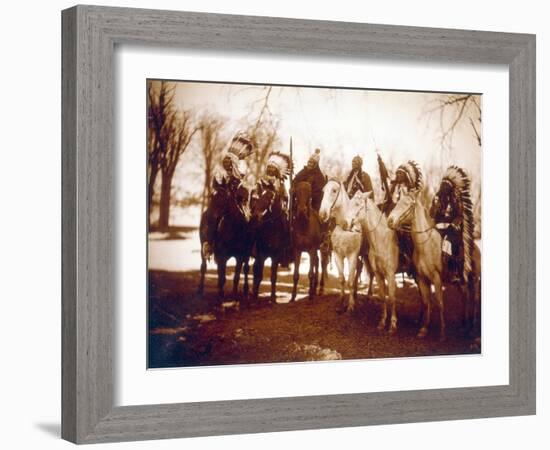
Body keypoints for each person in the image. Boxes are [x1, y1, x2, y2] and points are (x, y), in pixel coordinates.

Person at [203, 133, 254, 257]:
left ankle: (249, 247)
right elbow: (215, 186)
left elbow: (245, 190)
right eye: (224, 161)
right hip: (221, 203)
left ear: (233, 163)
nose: (226, 163)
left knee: (248, 220)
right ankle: (209, 244)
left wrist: (240, 193)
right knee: (212, 217)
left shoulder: (239, 176)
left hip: (236, 203)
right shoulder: (219, 175)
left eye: (228, 161)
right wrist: (217, 191)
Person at [430, 170, 467, 283]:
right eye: (442, 185)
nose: (443, 187)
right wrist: (435, 207)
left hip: (452, 228)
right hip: (438, 227)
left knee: (450, 242)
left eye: (446, 185)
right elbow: (431, 214)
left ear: (450, 188)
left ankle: (454, 271)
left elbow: (460, 215)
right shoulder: (436, 198)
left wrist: (453, 225)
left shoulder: (455, 199)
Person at [292, 148, 326, 212]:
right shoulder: (303, 172)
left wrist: (309, 196)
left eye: (311, 163)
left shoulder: (319, 176)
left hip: (312, 203)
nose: (309, 164)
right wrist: (293, 189)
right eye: (309, 162)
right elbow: (295, 181)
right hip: (299, 200)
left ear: (315, 165)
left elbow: (319, 192)